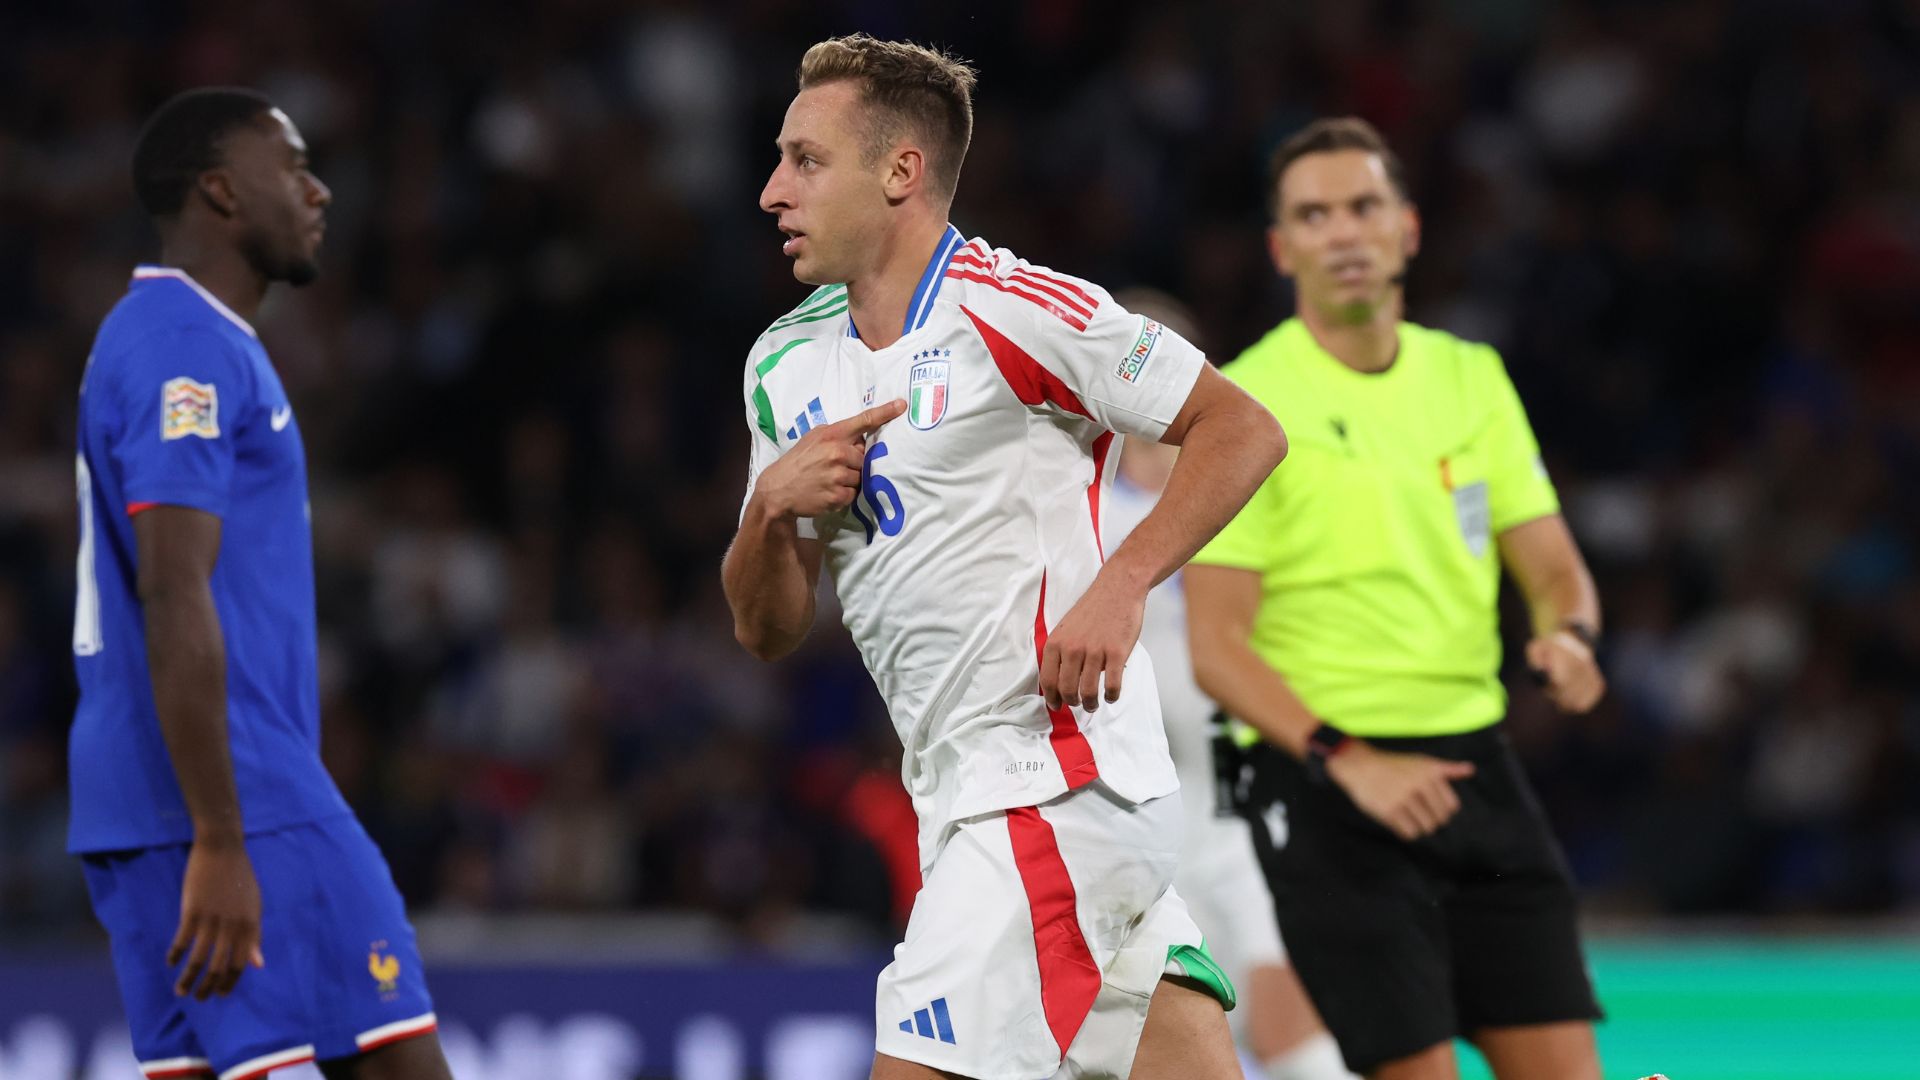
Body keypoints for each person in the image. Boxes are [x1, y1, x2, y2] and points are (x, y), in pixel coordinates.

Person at [723, 34, 1288, 1080]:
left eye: (805, 160)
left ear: (900, 172)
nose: (770, 191)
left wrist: (1123, 583)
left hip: (1050, 785)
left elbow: (1242, 428)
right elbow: (766, 630)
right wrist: (766, 513)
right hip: (959, 795)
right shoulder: (784, 361)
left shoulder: (1015, 308)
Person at [1185, 117, 1607, 1080]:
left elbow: (1552, 569)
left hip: (1475, 770)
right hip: (1324, 784)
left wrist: (1572, 637)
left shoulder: (1472, 377)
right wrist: (1352, 761)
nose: (1343, 232)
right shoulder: (1243, 409)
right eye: (1314, 214)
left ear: (1408, 228)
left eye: (1364, 206)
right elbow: (1218, 647)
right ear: (1281, 248)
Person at [69, 88, 451, 1080]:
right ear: (222, 191)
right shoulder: (180, 346)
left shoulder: (171, 337)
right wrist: (224, 836)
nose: (319, 191)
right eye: (294, 167)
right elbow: (172, 588)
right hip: (239, 793)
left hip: (150, 797)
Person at [1104, 290, 1354, 1080]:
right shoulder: (1081, 508)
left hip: (1243, 811)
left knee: (1294, 1032)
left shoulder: (1247, 493)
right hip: (1128, 820)